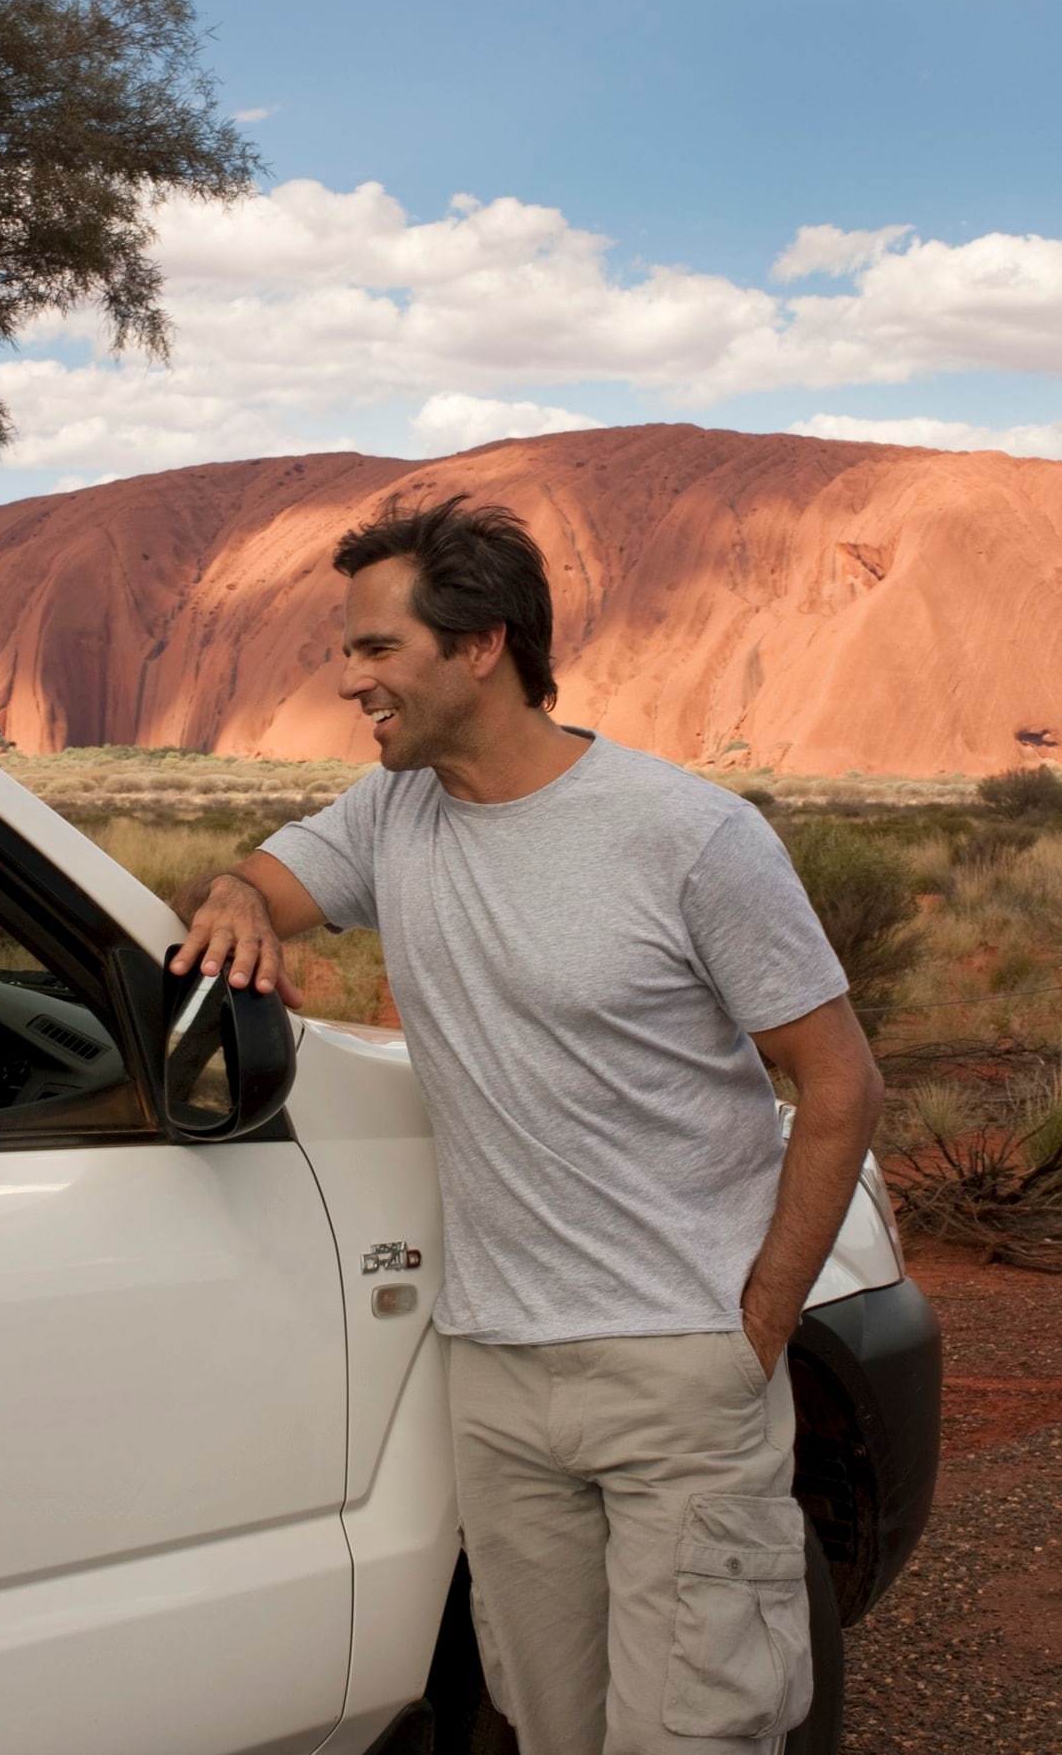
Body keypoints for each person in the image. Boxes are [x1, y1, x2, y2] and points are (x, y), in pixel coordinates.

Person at [171, 496, 881, 1755]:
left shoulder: (687, 834)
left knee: (695, 1735)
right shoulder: (392, 814)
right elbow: (263, 887)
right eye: (349, 651)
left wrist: (756, 1329)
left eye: (378, 649)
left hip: (677, 1361)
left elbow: (839, 1086)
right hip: (495, 1371)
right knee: (550, 1729)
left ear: (484, 643)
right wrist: (234, 895)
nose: (350, 681)